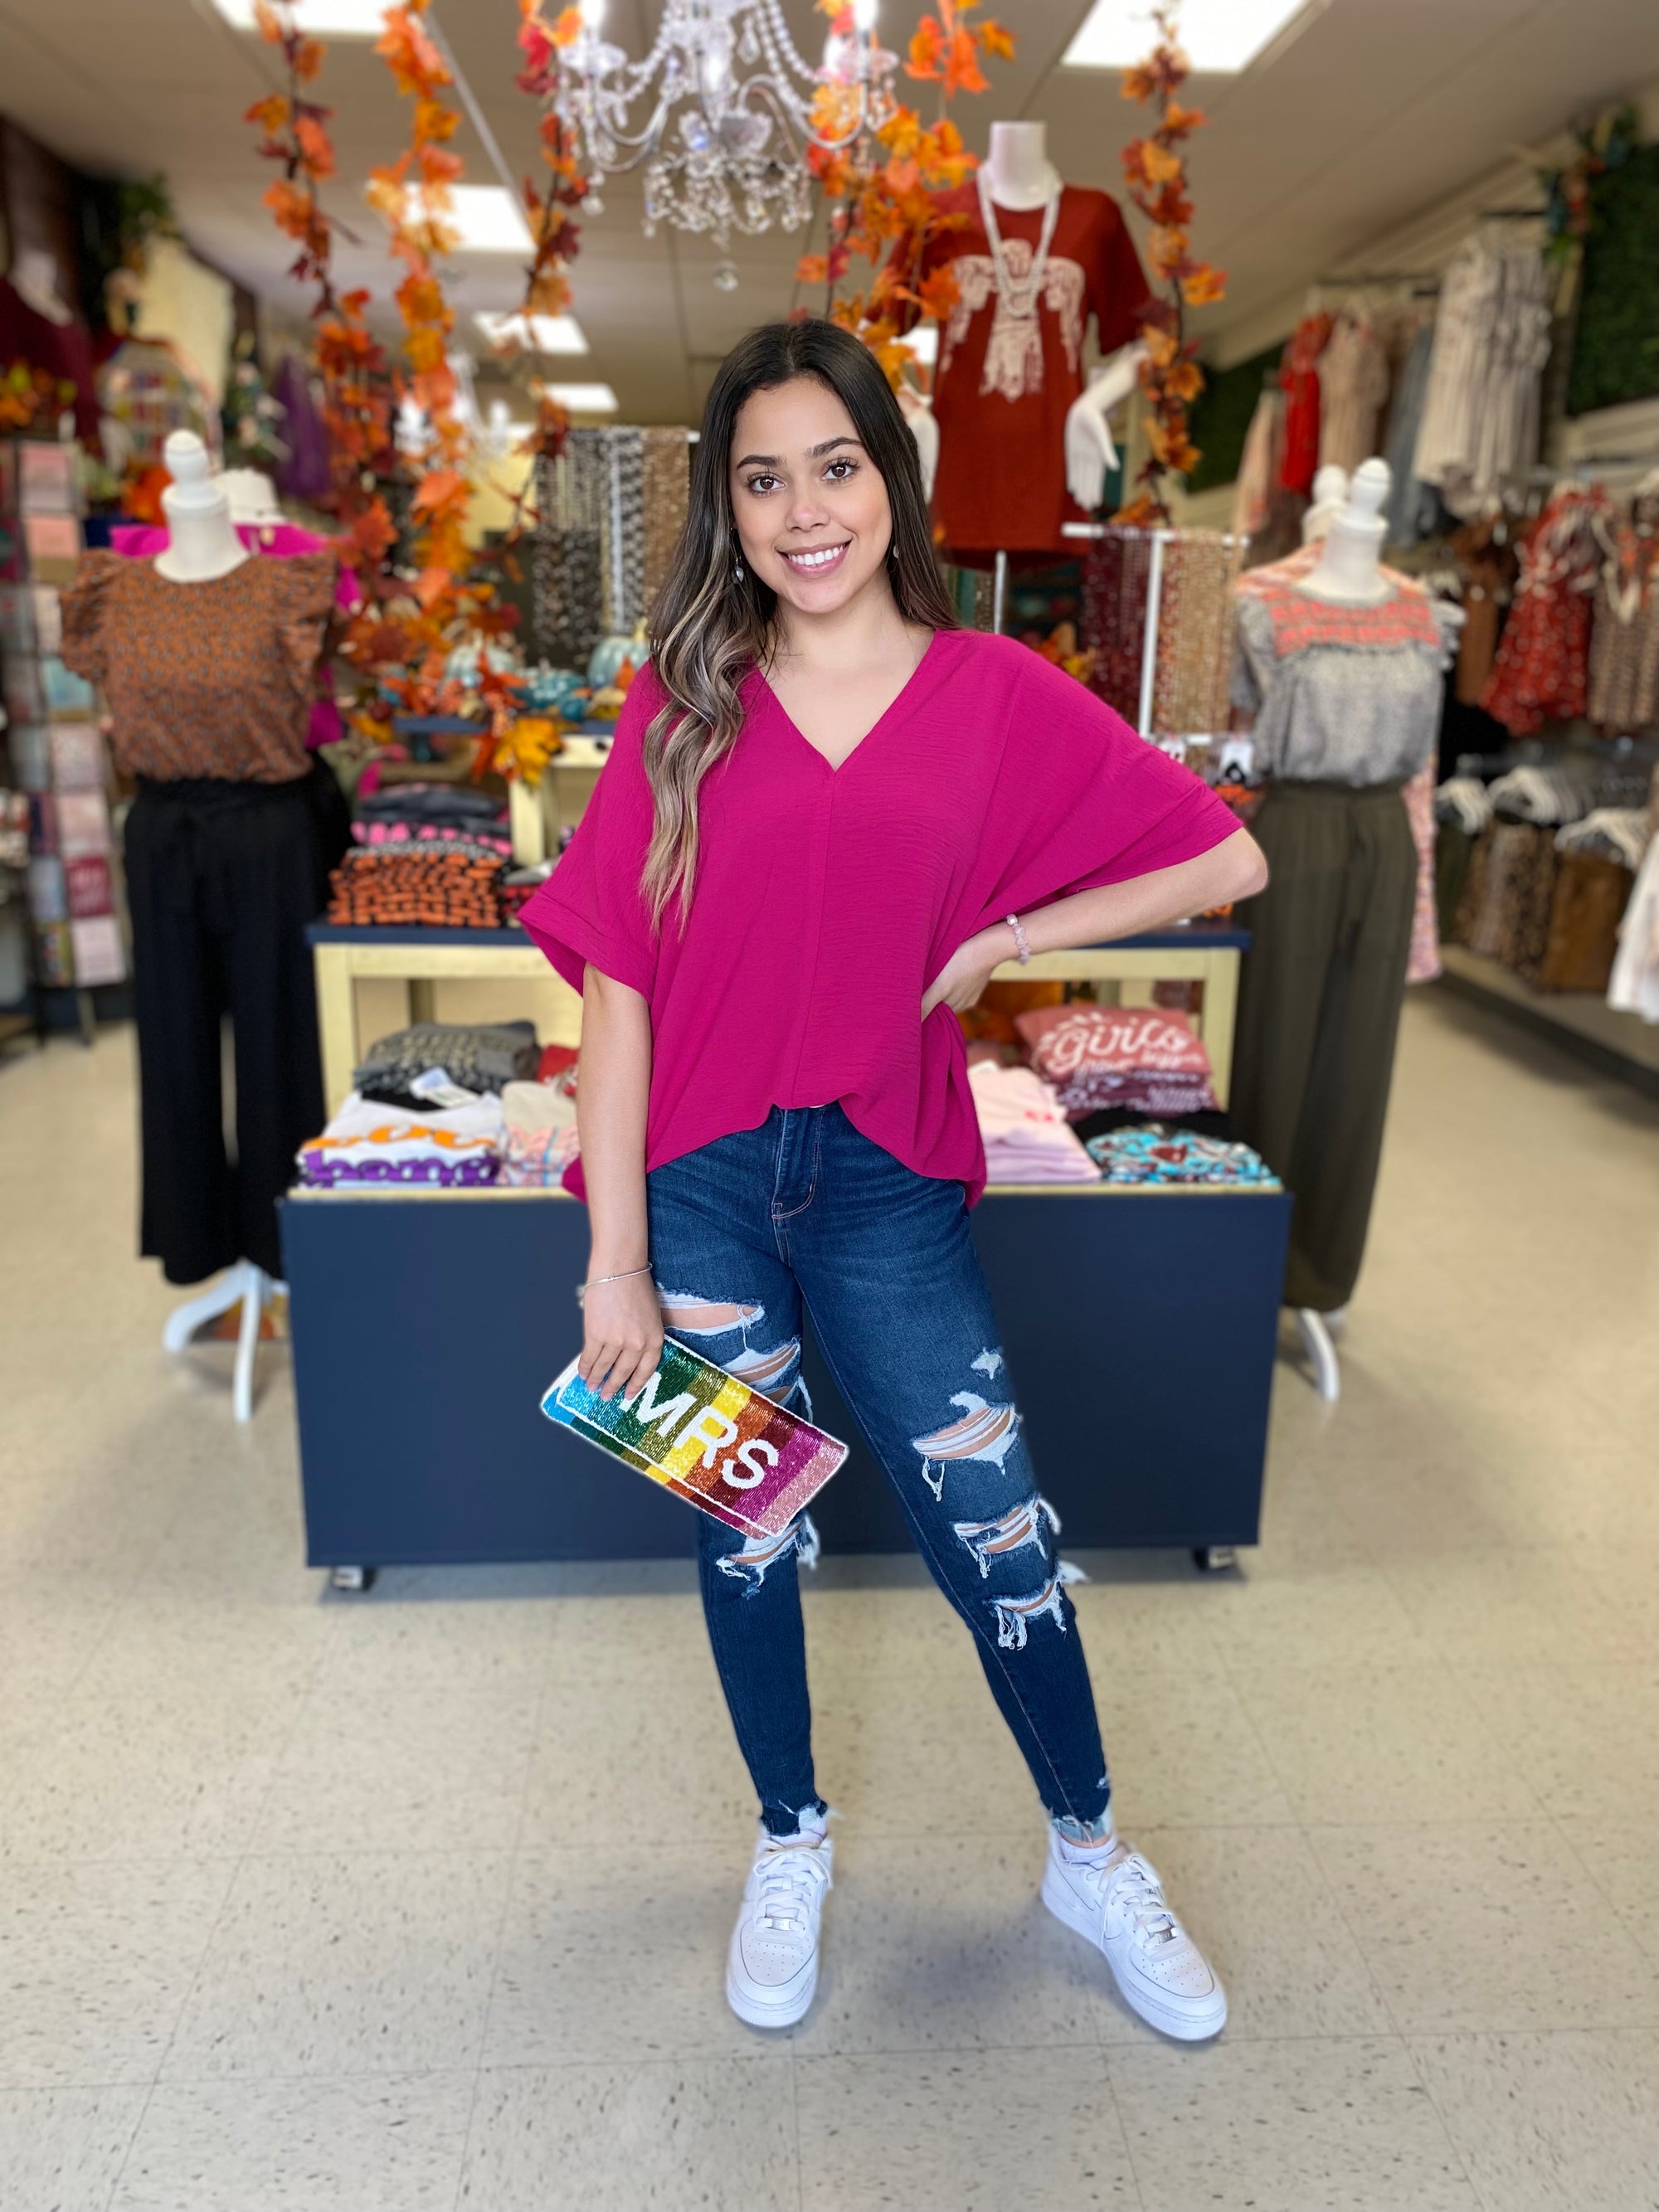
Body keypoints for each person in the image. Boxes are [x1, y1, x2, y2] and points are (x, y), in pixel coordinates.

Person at [520, 318, 1267, 2041]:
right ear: (725, 502)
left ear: (889, 475)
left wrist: (1009, 931)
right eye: (760, 478)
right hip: (696, 1180)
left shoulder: (992, 692)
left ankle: (1086, 1844)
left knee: (997, 1526)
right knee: (746, 1528)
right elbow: (618, 984)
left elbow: (1225, 852)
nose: (802, 512)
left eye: (834, 466)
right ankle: (789, 1835)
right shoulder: (683, 703)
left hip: (885, 1179)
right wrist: (610, 1257)